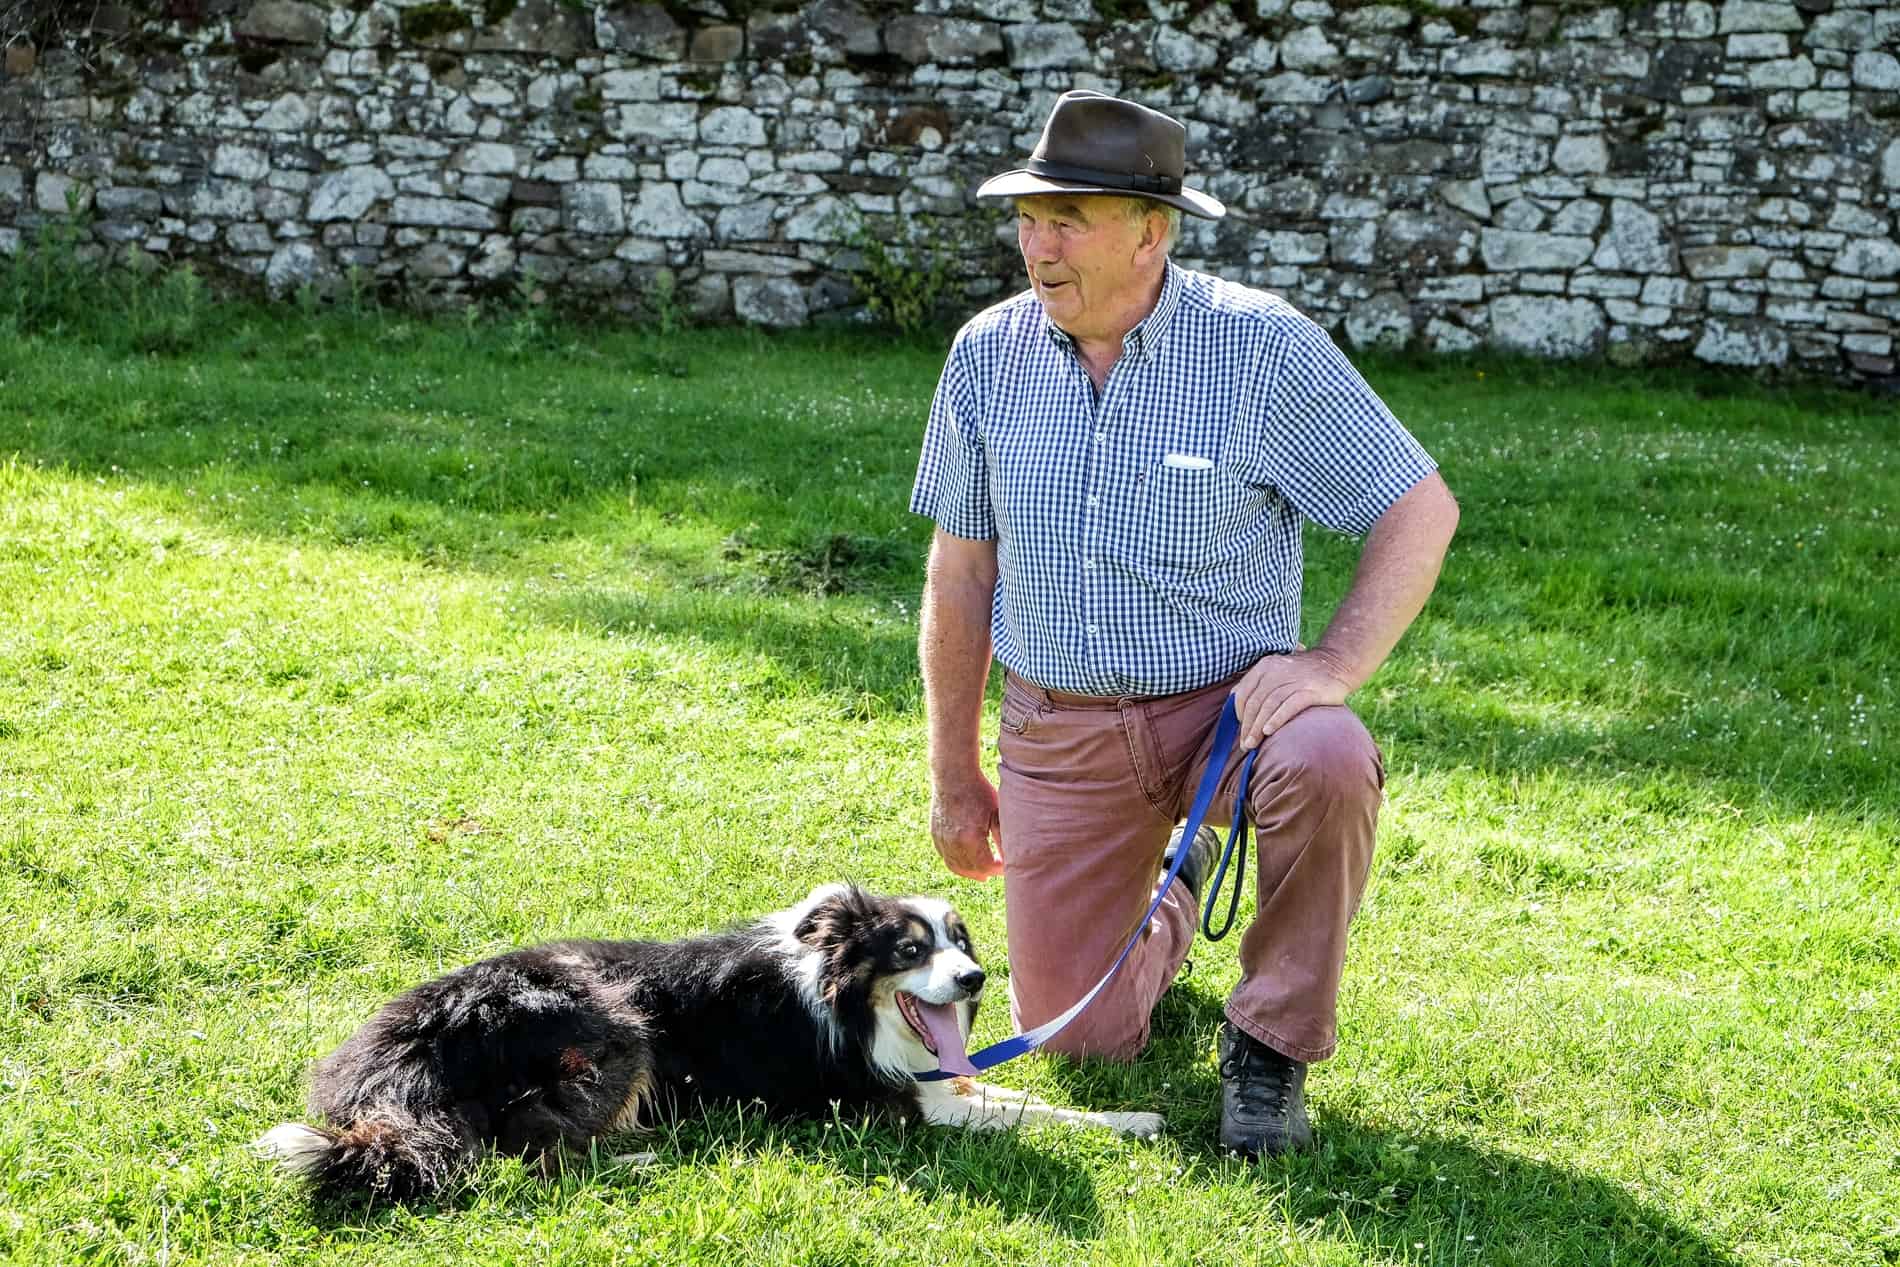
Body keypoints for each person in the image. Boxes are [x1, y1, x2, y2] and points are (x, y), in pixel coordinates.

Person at [907, 90, 1459, 1156]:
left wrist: (1332, 663)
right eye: (1027, 218)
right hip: (1059, 726)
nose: (1038, 243)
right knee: (1079, 1038)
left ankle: (1269, 1046)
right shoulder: (985, 354)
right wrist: (952, 771)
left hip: (1231, 718)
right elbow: (962, 568)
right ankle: (1182, 875)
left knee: (1330, 754)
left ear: (1152, 231)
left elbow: (1416, 505)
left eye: (1069, 218)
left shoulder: (1261, 349)